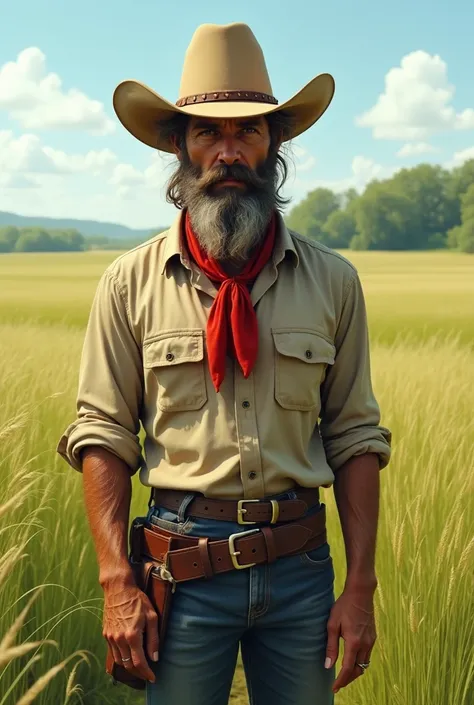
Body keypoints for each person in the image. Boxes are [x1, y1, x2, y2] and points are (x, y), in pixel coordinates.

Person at [57, 22, 392, 705]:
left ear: (275, 145)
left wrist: (360, 586)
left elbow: (356, 436)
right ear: (179, 145)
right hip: (179, 571)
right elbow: (104, 435)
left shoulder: (333, 282)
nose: (229, 151)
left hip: (302, 568)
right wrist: (117, 583)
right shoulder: (129, 282)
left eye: (248, 131)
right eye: (209, 133)